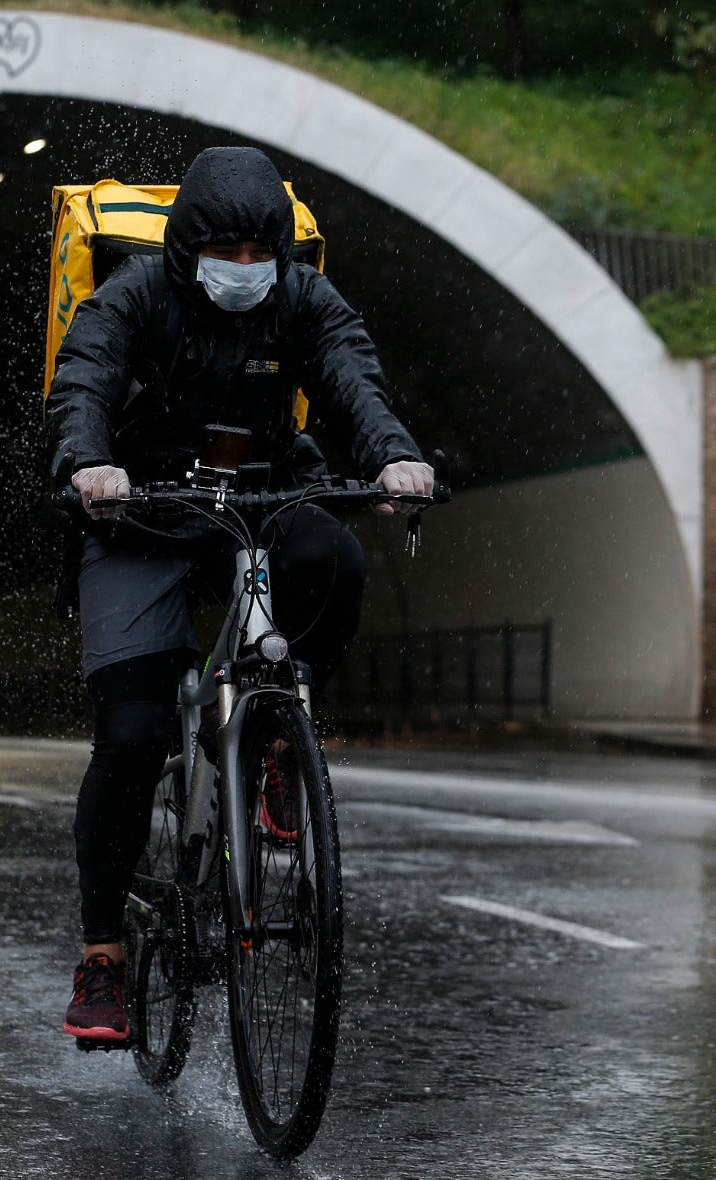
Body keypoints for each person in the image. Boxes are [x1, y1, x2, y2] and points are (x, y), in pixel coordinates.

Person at [44, 146, 433, 1043]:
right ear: (187, 249)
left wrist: (391, 455)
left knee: (333, 563)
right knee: (134, 734)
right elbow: (85, 381)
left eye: (265, 254)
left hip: (259, 495)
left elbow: (350, 373)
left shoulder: (302, 298)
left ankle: (272, 751)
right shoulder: (133, 296)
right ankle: (103, 957)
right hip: (138, 514)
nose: (248, 271)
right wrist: (89, 463)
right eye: (231, 253)